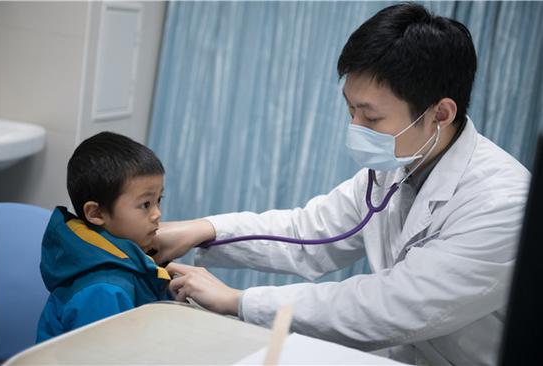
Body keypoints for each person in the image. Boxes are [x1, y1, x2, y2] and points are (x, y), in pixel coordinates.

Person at [153, 3, 530, 365]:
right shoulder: (397, 167)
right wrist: (204, 230)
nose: (355, 130)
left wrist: (239, 301)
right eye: (351, 110)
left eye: (371, 117)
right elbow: (306, 234)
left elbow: (392, 304)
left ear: (440, 114)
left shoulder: (504, 203)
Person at [36, 132, 170, 342]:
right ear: (96, 213)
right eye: (145, 204)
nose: (157, 214)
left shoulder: (117, 256)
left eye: (158, 200)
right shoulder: (105, 291)